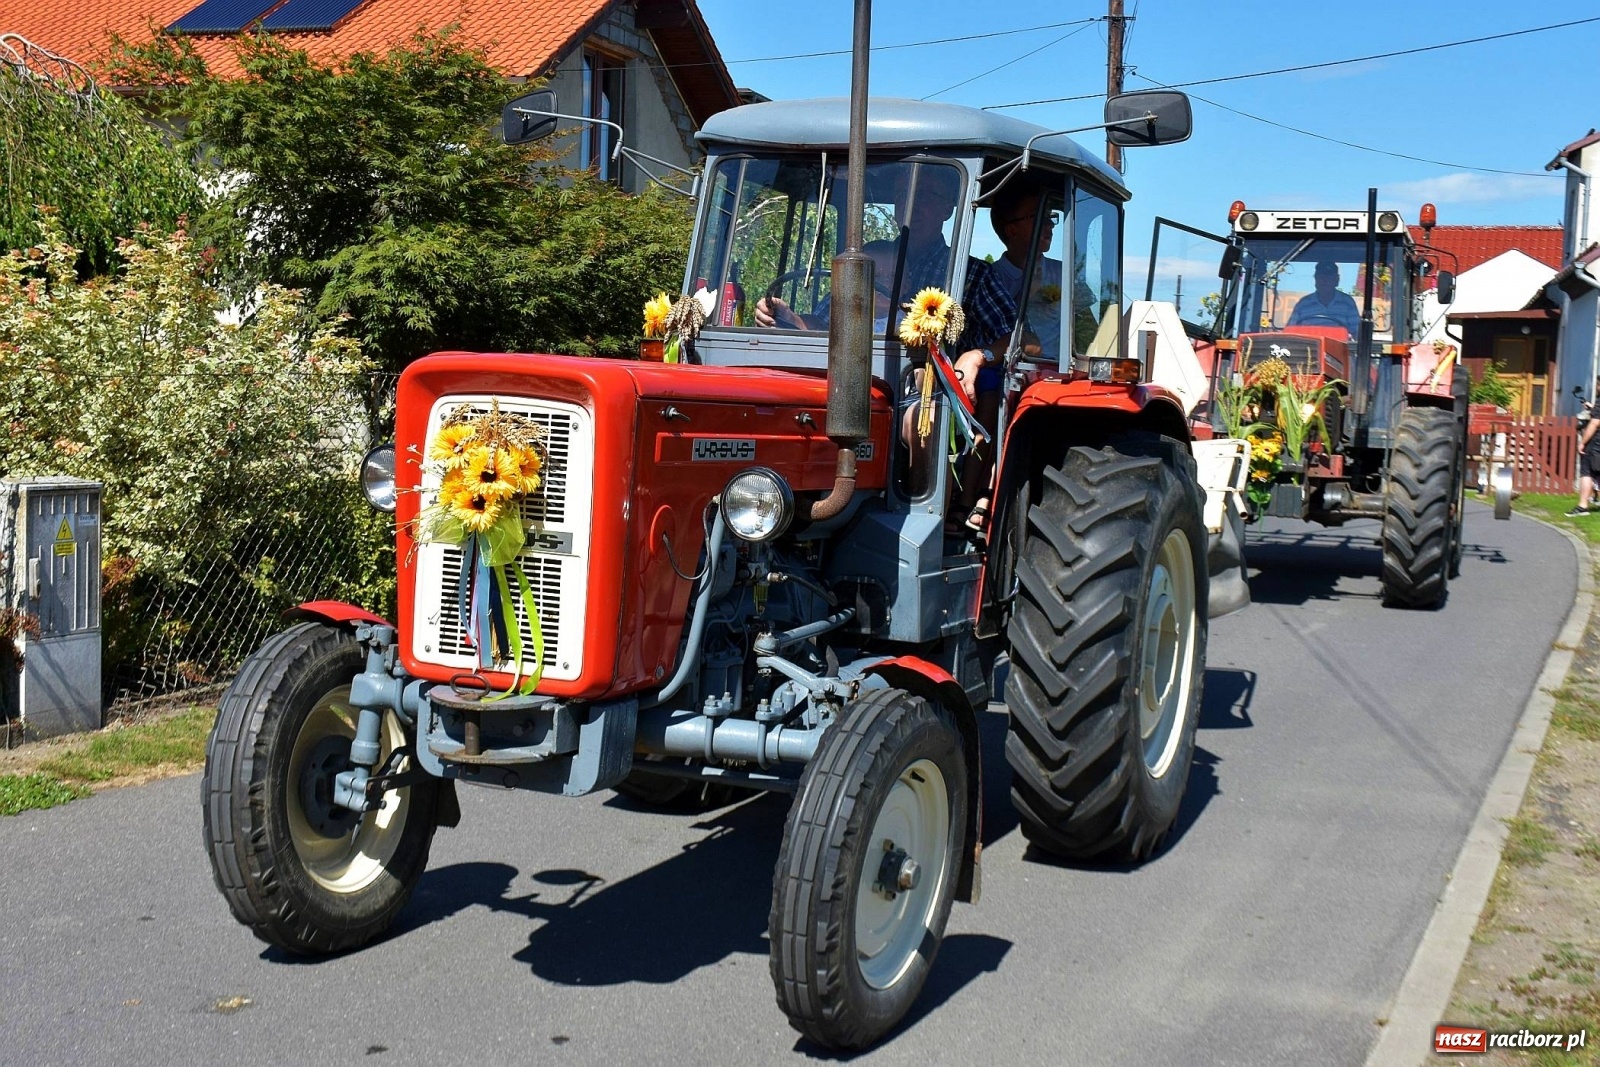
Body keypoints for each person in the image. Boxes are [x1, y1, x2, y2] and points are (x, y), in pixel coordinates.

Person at [1287, 261, 1363, 340]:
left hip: (1339, 350)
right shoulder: (1303, 304)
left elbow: (1357, 334)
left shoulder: (1347, 303)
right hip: (1309, 349)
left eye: (1329, 277)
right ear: (1315, 279)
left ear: (1337, 280)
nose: (1324, 280)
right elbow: (1289, 333)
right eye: (1320, 277)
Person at [1570, 377, 1600, 516]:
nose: (1597, 387)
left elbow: (1594, 424)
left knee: (1587, 472)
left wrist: (1582, 443)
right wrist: (1592, 408)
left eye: (1598, 385)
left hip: (1596, 443)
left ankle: (1583, 506)